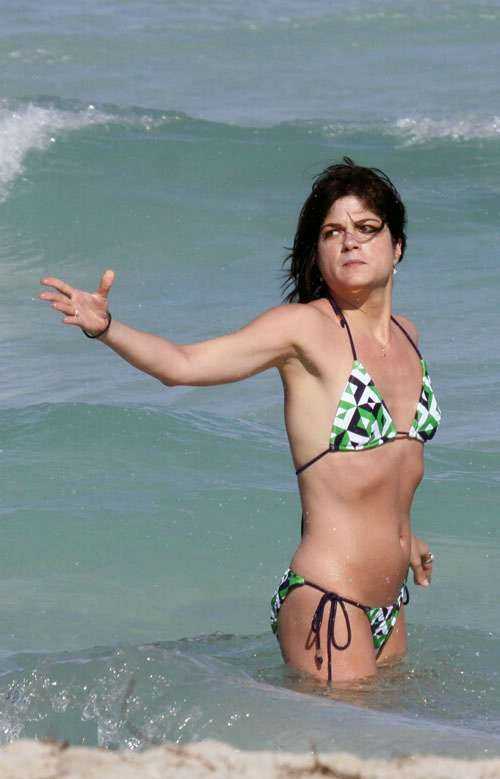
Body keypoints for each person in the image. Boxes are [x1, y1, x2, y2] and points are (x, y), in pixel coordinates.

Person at [39, 157, 440, 686]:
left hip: (390, 603)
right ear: (318, 253)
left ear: (397, 246)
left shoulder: (408, 335)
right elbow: (183, 366)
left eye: (367, 228)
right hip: (329, 599)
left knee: (393, 733)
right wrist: (107, 327)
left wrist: (402, 538)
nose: (350, 242)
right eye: (332, 233)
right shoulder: (302, 329)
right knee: (353, 735)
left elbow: (388, 464)